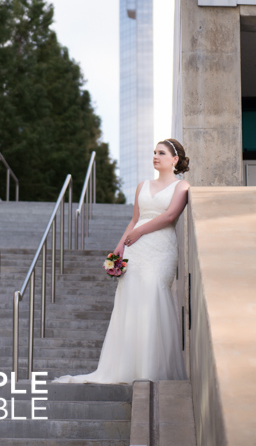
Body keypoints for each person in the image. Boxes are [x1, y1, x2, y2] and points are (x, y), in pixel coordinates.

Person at [53, 138, 190, 383]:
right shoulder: (142, 185)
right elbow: (134, 219)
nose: (155, 156)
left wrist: (139, 231)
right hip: (135, 249)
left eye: (161, 153)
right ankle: (127, 368)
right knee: (131, 298)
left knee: (152, 294)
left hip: (160, 248)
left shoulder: (181, 187)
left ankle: (152, 370)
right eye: (154, 152)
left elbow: (170, 216)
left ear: (175, 159)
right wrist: (119, 248)